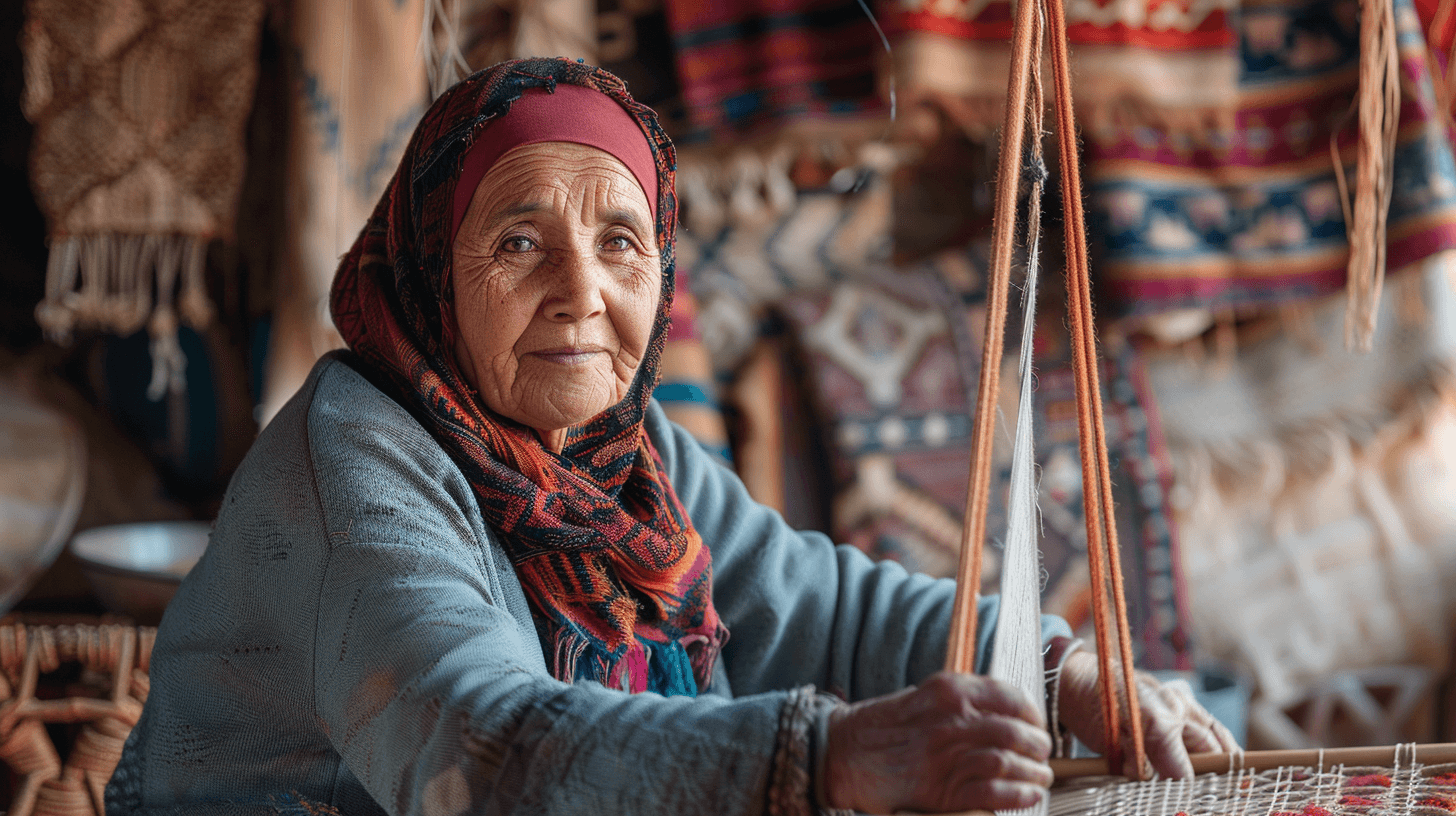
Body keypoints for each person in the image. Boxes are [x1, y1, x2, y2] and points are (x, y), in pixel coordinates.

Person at [106, 57, 1237, 816]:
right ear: (431, 272)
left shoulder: (622, 461)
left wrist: (1058, 669)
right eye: (518, 243)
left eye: (620, 242)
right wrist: (829, 759)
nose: (581, 295)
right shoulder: (356, 465)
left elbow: (827, 612)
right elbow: (474, 748)